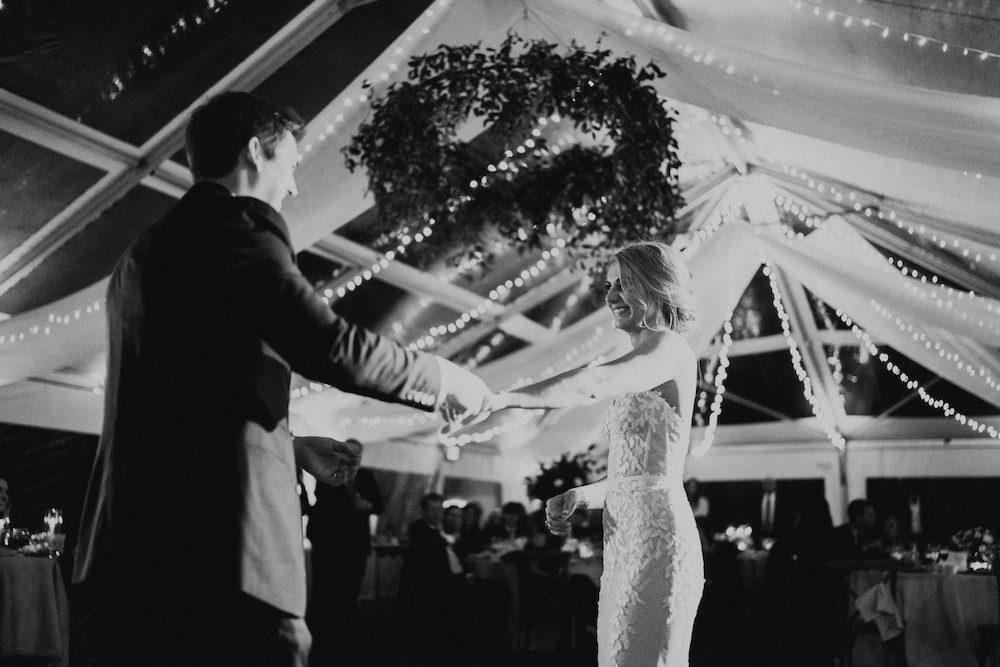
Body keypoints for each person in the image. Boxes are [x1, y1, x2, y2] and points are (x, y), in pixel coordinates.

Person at [72, 92, 491, 666]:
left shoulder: (139, 256)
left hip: (133, 551)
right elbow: (329, 344)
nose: (294, 188)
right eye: (290, 165)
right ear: (253, 151)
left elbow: (180, 406)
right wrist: (442, 379)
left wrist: (289, 449)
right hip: (218, 557)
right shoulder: (233, 224)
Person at [484, 242, 704, 666]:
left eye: (625, 284)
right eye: (610, 285)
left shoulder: (670, 348)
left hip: (658, 540)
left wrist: (503, 399)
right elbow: (635, 476)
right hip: (623, 543)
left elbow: (590, 384)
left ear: (656, 287)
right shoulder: (640, 359)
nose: (611, 296)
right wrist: (581, 496)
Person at [305, 459, 383, 666]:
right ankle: (320, 641)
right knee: (326, 592)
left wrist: (368, 504)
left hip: (356, 546)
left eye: (356, 453)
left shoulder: (365, 477)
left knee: (349, 593)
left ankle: (343, 640)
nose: (351, 457)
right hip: (330, 545)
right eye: (347, 452)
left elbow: (379, 505)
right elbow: (322, 503)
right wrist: (351, 504)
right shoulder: (329, 474)